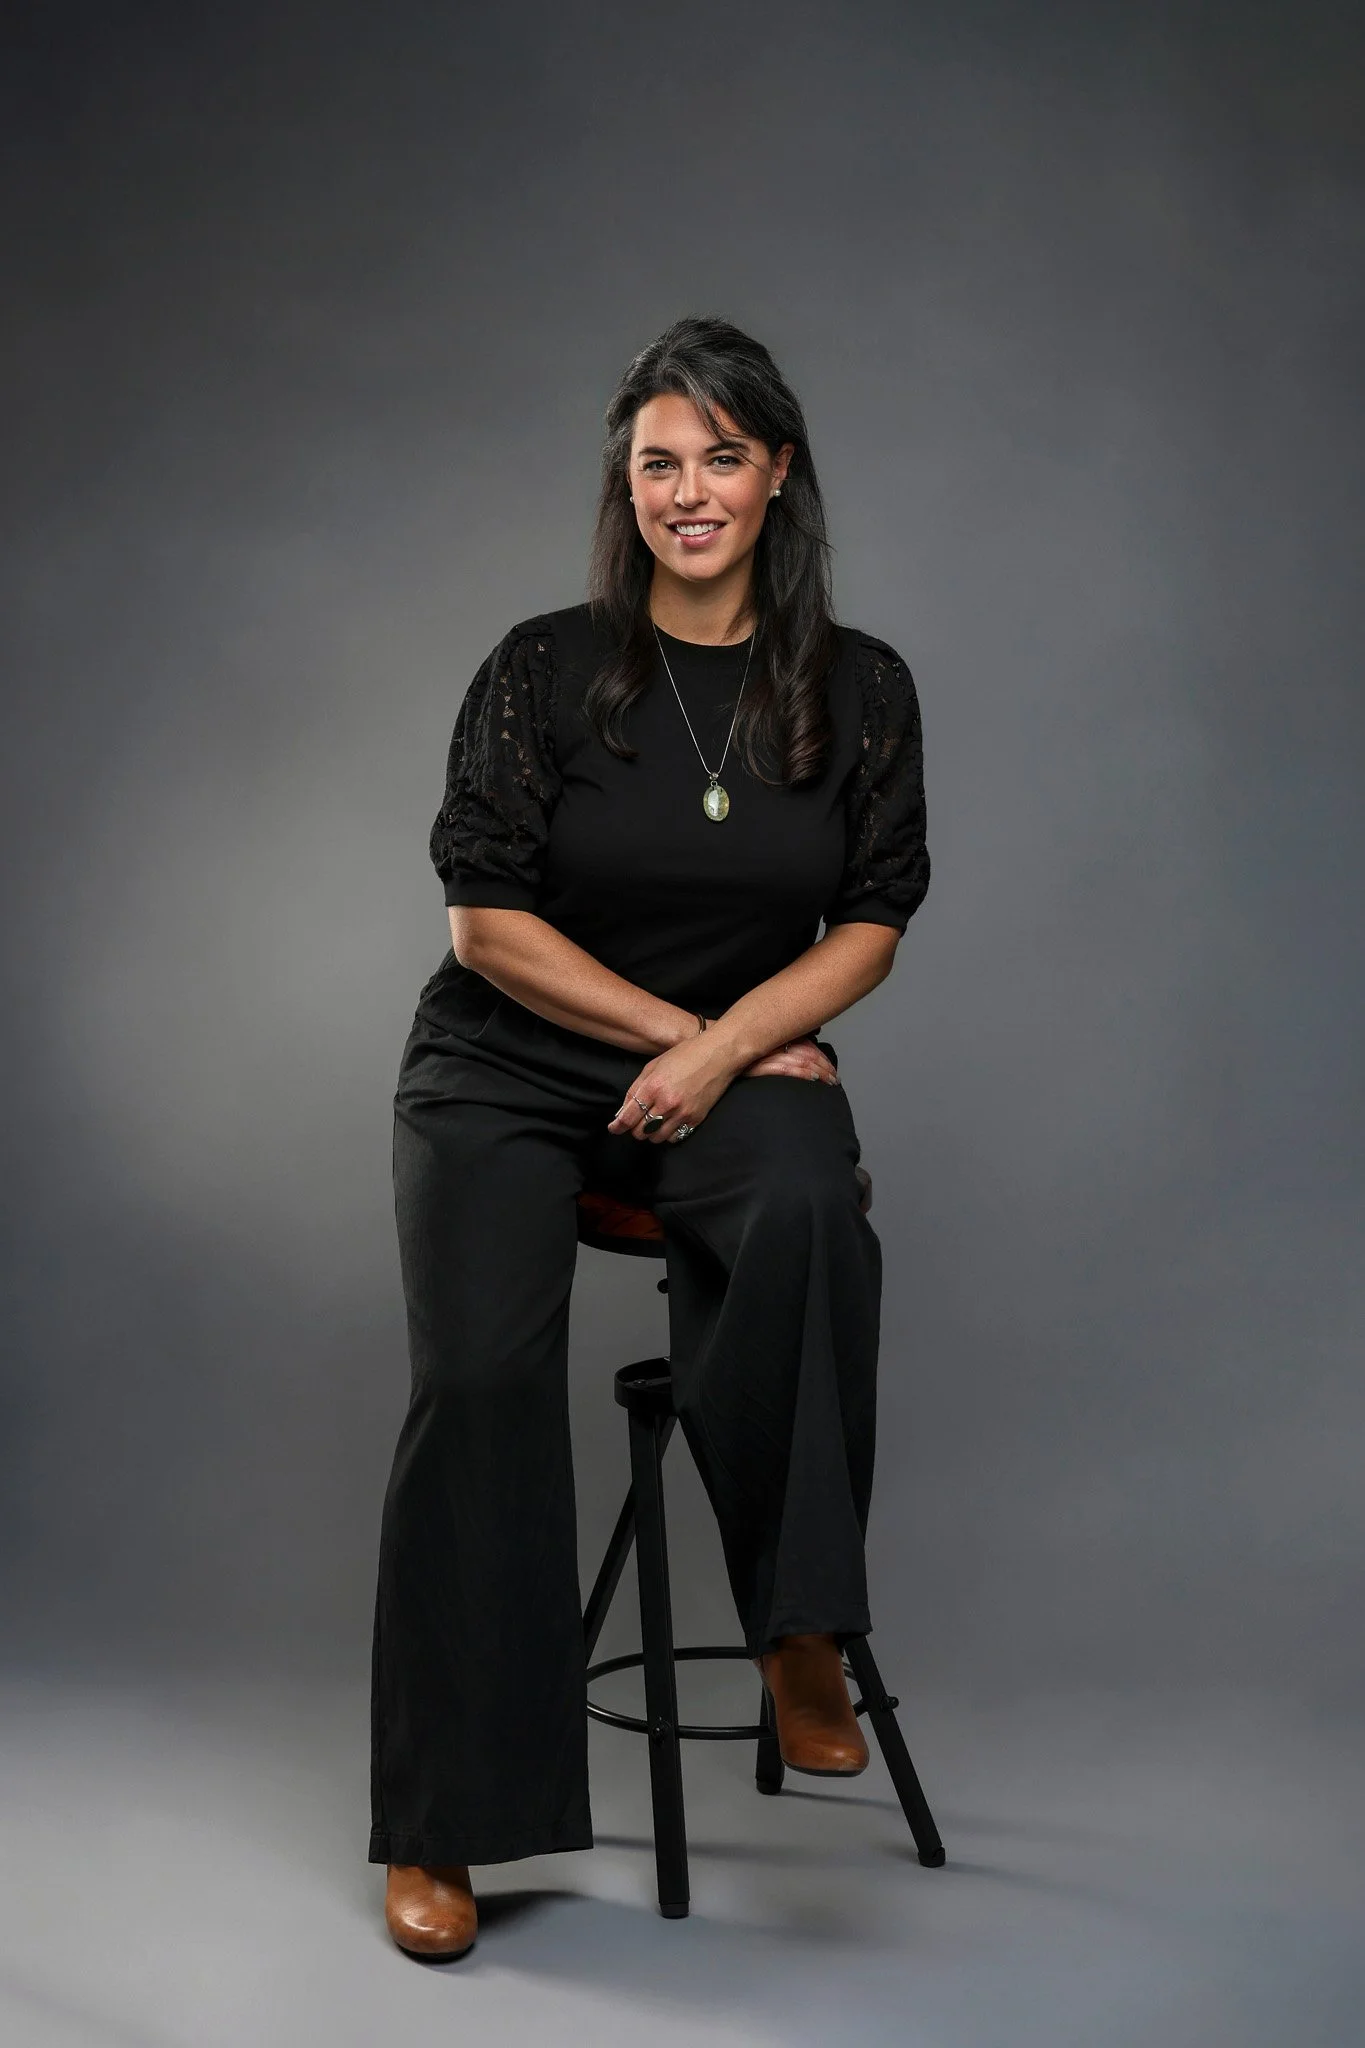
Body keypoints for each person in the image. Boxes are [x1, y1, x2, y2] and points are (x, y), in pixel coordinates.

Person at [370, 314, 930, 1959]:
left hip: (729, 1068)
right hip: (510, 1068)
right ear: (629, 488)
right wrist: (693, 1041)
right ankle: (448, 1825)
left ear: (778, 476)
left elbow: (873, 920)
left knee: (812, 1204)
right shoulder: (542, 668)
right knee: (475, 1386)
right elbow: (487, 925)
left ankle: (800, 1621)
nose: (691, 492)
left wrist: (739, 1051)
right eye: (658, 464)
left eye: (722, 459)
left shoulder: (858, 687)